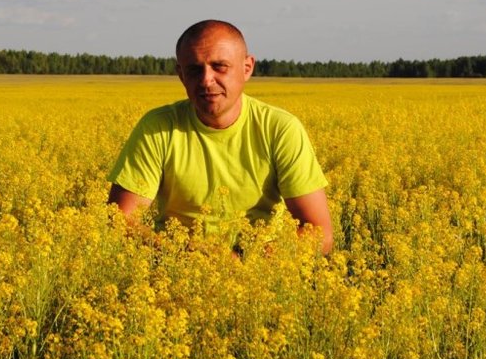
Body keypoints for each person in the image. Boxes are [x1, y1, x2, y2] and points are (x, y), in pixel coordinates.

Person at [107, 20, 333, 254]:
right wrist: (186, 255)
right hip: (175, 268)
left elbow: (321, 235)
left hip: (259, 274)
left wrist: (248, 260)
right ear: (181, 75)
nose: (206, 80)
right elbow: (120, 221)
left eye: (220, 66)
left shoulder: (280, 129)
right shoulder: (157, 128)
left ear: (247, 68)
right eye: (194, 69)